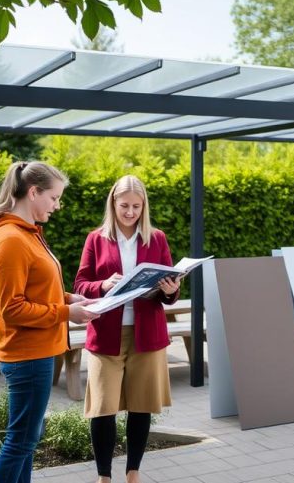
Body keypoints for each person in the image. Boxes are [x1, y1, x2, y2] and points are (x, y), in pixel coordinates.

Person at [0, 161, 100, 483]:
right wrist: (66, 314)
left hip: (37, 352)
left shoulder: (28, 234)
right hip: (27, 356)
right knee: (19, 442)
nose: (57, 206)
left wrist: (69, 299)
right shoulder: (10, 240)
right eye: (54, 198)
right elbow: (13, 308)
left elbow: (37, 288)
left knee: (26, 441)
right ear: (33, 192)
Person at [74, 174, 181, 483]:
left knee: (141, 405)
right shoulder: (96, 238)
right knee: (102, 408)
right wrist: (103, 284)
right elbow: (81, 284)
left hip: (147, 335)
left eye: (136, 206)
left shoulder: (156, 238)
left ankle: (133, 472)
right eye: (124, 206)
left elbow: (170, 295)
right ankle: (104, 477)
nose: (130, 212)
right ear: (113, 203)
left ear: (143, 206)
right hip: (106, 334)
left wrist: (171, 287)